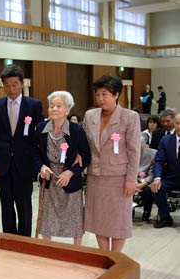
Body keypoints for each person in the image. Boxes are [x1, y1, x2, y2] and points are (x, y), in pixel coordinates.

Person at [83, 74, 140, 252]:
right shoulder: (90, 115)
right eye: (98, 94)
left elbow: (134, 150)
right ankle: (103, 254)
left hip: (119, 178)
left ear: (116, 95)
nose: (100, 99)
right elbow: (84, 145)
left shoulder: (129, 117)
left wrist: (131, 179)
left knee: (118, 220)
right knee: (99, 219)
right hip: (95, 176)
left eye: (105, 94)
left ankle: (115, 257)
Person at [0, 64, 44, 237]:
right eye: (7, 85)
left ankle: (24, 241)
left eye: (14, 84)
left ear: (22, 84)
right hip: (3, 163)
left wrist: (39, 162)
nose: (11, 89)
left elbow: (40, 134)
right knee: (6, 204)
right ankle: (9, 239)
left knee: (24, 205)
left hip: (24, 163)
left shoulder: (33, 105)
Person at [34, 91, 90, 245]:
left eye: (58, 106)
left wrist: (71, 172)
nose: (53, 109)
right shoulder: (40, 128)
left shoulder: (77, 130)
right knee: (47, 220)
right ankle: (48, 250)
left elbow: (85, 156)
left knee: (75, 220)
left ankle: (76, 252)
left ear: (68, 109)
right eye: (51, 106)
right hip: (49, 178)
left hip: (70, 180)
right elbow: (34, 153)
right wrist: (41, 167)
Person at [150, 113, 180, 228]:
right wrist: (157, 178)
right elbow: (159, 161)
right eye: (177, 123)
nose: (179, 126)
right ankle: (165, 218)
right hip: (171, 177)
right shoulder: (166, 140)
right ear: (174, 124)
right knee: (156, 188)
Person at [135, 137, 157, 222]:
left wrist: (143, 183)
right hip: (131, 179)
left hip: (146, 180)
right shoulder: (126, 152)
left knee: (147, 191)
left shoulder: (153, 154)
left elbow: (152, 173)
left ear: (144, 145)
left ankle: (147, 211)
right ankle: (128, 212)